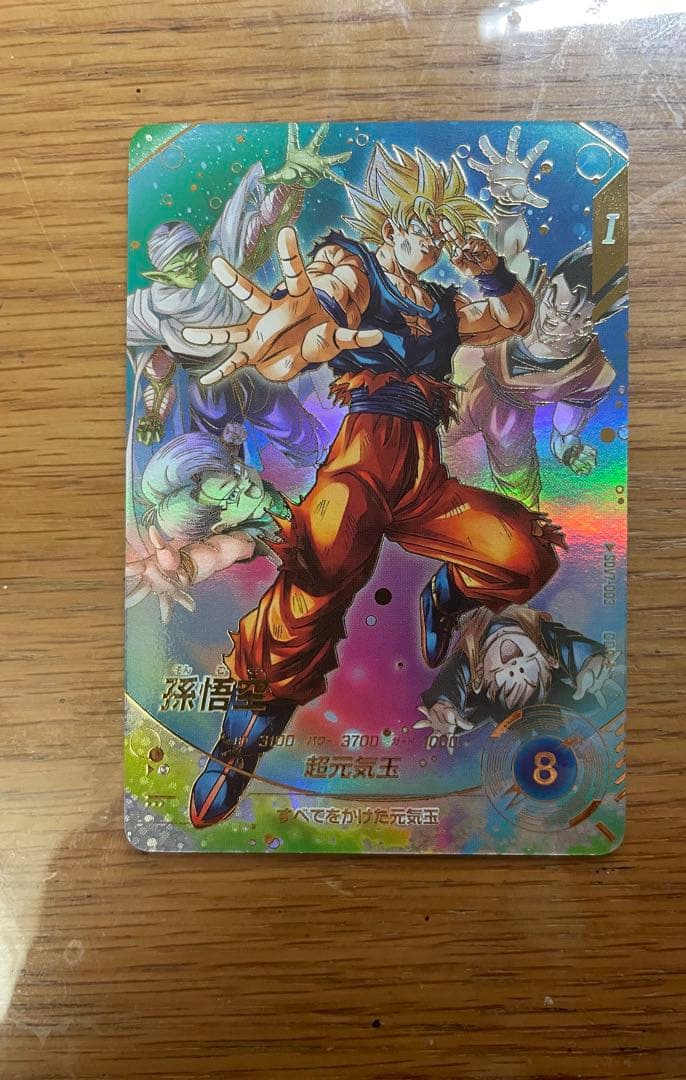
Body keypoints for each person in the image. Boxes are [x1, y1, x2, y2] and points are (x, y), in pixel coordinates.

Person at [178, 142, 567, 827]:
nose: (432, 238)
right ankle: (243, 735)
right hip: (360, 464)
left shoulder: (443, 303)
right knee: (319, 564)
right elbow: (325, 296)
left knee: (524, 555)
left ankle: (447, 594)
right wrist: (296, 321)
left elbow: (512, 319)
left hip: (423, 481)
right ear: (389, 223)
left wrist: (492, 271)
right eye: (422, 221)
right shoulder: (357, 268)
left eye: (442, 228)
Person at [126, 123, 350, 467]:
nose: (191, 269)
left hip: (254, 371)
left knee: (305, 440)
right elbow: (159, 370)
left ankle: (328, 470)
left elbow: (263, 223)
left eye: (194, 257)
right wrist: (154, 414)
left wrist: (290, 181)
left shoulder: (222, 261)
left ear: (203, 248)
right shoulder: (152, 308)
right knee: (215, 462)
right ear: (161, 275)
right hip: (208, 389)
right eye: (179, 266)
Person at [445, 126, 627, 510]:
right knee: (416, 442)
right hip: (465, 379)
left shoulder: (593, 373)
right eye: (554, 300)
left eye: (573, 315)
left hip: (511, 418)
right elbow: (507, 250)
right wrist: (508, 204)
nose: (554, 317)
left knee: (520, 497)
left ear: (594, 321)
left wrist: (569, 449)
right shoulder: (529, 292)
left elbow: (565, 430)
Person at [125, 425, 289, 623]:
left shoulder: (272, 465)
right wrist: (186, 568)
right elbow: (221, 551)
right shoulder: (252, 534)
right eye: (234, 496)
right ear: (220, 526)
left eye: (237, 473)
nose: (249, 486)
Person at [415, 605, 620, 752]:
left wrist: (444, 705)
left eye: (507, 681)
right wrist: (592, 663)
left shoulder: (471, 657)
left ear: (480, 678)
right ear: (548, 658)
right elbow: (568, 647)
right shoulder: (541, 635)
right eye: (531, 673)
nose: (516, 667)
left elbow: (454, 680)